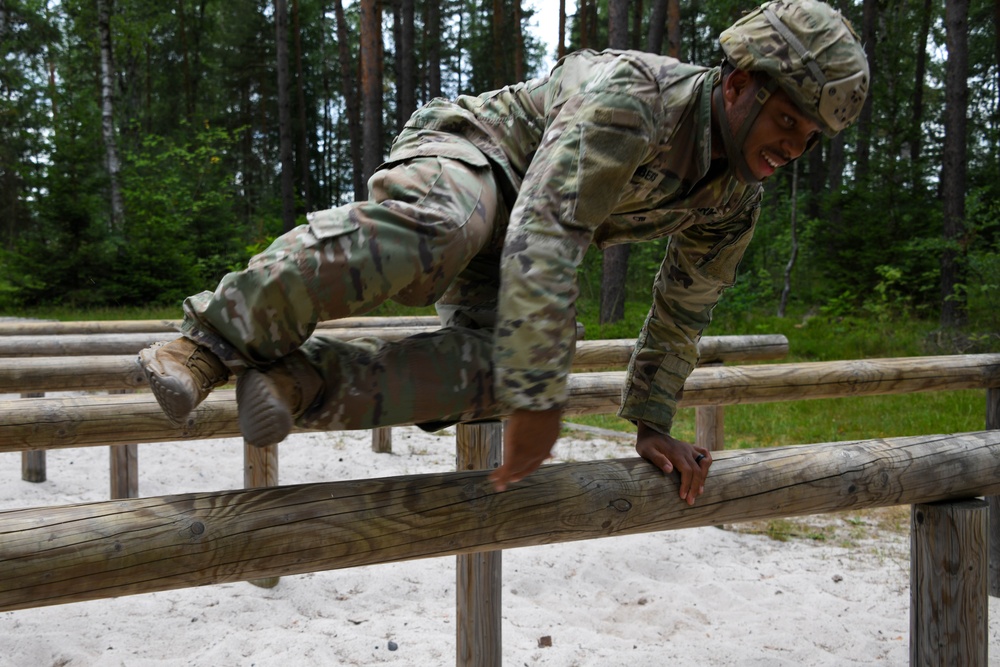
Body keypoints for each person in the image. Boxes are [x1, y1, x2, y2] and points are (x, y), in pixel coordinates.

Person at [139, 0, 868, 502]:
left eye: (808, 140)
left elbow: (685, 307)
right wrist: (542, 399)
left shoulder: (734, 196)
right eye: (785, 122)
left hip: (520, 233)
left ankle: (299, 385)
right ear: (739, 85)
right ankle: (206, 342)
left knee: (492, 375)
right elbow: (546, 230)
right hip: (476, 160)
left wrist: (654, 423)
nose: (791, 149)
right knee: (449, 230)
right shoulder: (636, 98)